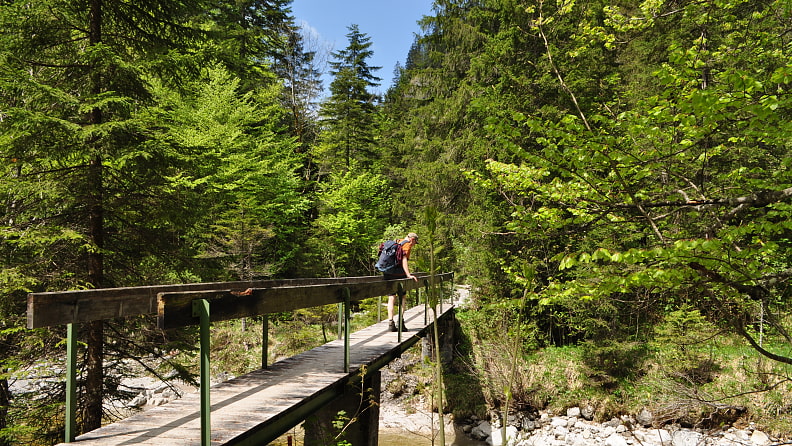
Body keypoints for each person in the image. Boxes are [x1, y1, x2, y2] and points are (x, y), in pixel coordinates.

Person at [383, 232, 419, 332]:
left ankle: (391, 323)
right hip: (398, 274)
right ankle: (401, 322)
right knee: (402, 297)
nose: (414, 244)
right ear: (412, 239)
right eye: (415, 242)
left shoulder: (396, 242)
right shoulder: (407, 245)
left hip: (388, 273)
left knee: (391, 298)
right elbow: (404, 260)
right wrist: (408, 275)